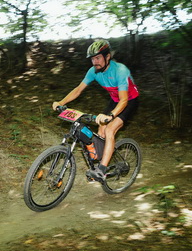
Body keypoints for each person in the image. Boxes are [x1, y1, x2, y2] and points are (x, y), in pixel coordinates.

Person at [52, 38, 139, 182]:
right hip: (115, 100)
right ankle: (100, 163)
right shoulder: (93, 71)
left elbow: (124, 100)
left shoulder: (120, 70)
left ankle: (102, 170)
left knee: (109, 130)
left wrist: (111, 116)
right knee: (100, 131)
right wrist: (61, 102)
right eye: (92, 59)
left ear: (107, 56)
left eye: (98, 58)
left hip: (129, 101)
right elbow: (78, 90)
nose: (94, 62)